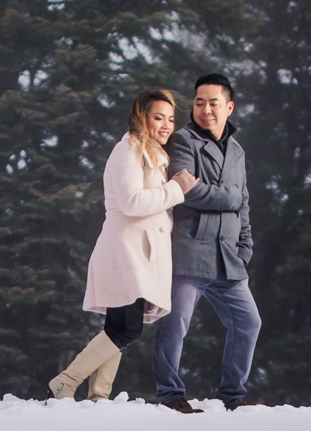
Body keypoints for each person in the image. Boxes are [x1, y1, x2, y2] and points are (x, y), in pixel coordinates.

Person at [48, 89, 198, 401]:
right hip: (126, 249)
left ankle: (99, 394)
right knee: (127, 328)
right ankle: (66, 381)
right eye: (158, 117)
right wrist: (176, 189)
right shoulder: (129, 148)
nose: (166, 125)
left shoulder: (152, 153)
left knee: (117, 325)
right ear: (142, 117)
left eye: (171, 119)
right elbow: (132, 201)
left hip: (137, 251)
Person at [151, 74, 262, 413]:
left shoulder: (238, 151)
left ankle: (232, 396)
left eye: (213, 103)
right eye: (199, 102)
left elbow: (243, 203)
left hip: (229, 257)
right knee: (175, 324)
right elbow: (187, 189)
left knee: (248, 323)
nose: (205, 109)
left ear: (228, 107)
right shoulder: (183, 142)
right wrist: (227, 197)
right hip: (190, 250)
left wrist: (245, 247)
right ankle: (170, 394)